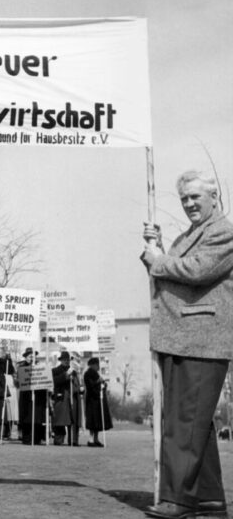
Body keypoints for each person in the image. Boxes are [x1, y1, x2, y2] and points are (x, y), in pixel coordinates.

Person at [141, 170, 233, 519]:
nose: (190, 203)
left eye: (195, 196)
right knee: (196, 422)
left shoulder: (225, 232)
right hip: (184, 338)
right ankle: (208, 497)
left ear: (214, 197)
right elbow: (173, 276)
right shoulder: (192, 234)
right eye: (184, 198)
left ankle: (178, 500)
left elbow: (196, 271)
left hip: (201, 339)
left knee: (184, 422)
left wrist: (157, 259)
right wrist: (158, 248)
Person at [51, 351, 82, 446]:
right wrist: (65, 375)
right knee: (60, 419)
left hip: (73, 397)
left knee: (73, 419)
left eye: (68, 359)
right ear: (61, 360)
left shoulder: (74, 371)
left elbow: (77, 383)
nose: (66, 361)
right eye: (64, 359)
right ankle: (58, 438)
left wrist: (80, 387)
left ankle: (73, 440)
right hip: (61, 397)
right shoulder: (55, 370)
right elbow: (55, 382)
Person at [17, 347, 47, 445]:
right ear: (26, 357)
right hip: (26, 395)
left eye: (33, 356)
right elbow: (18, 381)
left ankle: (37, 438)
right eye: (30, 356)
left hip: (37, 395)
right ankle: (26, 438)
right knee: (26, 418)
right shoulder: (21, 367)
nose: (31, 358)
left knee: (37, 418)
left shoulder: (40, 366)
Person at [83, 357, 111, 447]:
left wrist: (103, 384)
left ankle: (96, 439)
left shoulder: (96, 374)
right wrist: (97, 382)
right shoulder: (88, 374)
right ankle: (91, 439)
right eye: (97, 365)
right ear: (93, 365)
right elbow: (90, 386)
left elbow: (102, 385)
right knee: (92, 420)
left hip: (98, 400)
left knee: (98, 421)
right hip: (92, 400)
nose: (98, 366)